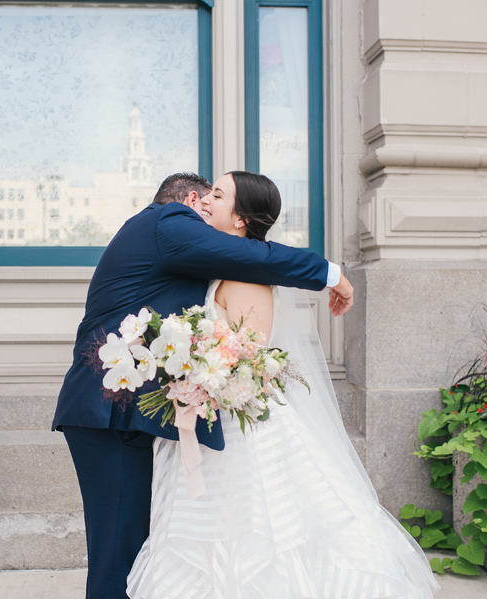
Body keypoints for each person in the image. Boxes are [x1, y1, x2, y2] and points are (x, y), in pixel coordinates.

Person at [126, 171, 440, 598]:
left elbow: (248, 358)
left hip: (239, 430)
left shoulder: (245, 277)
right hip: (213, 419)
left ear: (239, 220)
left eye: (217, 195)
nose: (206, 202)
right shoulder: (225, 267)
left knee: (259, 535)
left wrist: (195, 372)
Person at [52, 172, 355, 599]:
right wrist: (330, 273)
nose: (211, 204)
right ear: (190, 201)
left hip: (132, 415)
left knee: (137, 552)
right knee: (118, 555)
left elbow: (246, 290)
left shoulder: (190, 256)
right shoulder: (169, 222)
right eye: (209, 195)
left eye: (221, 195)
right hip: (110, 413)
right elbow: (251, 256)